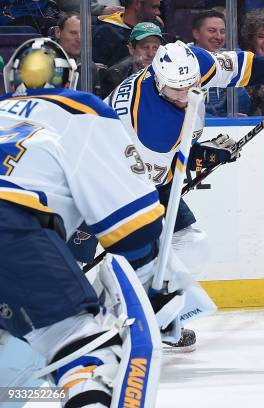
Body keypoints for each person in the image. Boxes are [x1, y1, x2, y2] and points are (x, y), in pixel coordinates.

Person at [0, 37, 165, 407]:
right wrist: (156, 283)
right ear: (68, 78)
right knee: (81, 346)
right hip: (10, 226)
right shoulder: (79, 108)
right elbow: (134, 229)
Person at [103, 40, 264, 349]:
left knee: (191, 244)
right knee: (138, 252)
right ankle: (128, 317)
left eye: (191, 86)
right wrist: (201, 156)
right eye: (177, 91)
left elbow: (241, 67)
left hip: (143, 167)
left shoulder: (193, 65)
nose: (186, 96)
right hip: (114, 177)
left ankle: (156, 316)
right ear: (158, 81)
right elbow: (161, 180)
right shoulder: (153, 123)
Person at [192, 9, 252, 116]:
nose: (219, 37)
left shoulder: (229, 58)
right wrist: (219, 118)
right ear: (196, 33)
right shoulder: (183, 58)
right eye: (212, 31)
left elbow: (243, 107)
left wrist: (235, 79)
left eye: (222, 31)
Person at [100, 21, 164, 98]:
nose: (150, 54)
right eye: (145, 47)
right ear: (131, 49)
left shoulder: (171, 73)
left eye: (155, 48)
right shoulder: (115, 76)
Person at [92, 0, 162, 67]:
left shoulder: (156, 28)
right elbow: (99, 74)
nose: (158, 12)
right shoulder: (105, 33)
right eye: (154, 7)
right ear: (138, 4)